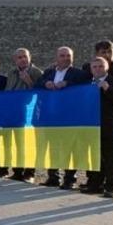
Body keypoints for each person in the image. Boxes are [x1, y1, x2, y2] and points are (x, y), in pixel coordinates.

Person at [39, 46, 89, 189]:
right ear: (56, 57)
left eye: (68, 56)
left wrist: (67, 84)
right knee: (52, 148)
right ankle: (53, 177)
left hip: (70, 117)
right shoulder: (48, 73)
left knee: (70, 148)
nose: (66, 58)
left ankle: (69, 180)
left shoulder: (79, 74)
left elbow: (85, 85)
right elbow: (38, 84)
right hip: (51, 116)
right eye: (62, 55)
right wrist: (45, 83)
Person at [80, 56, 113, 198]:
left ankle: (112, 187)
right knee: (94, 158)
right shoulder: (86, 84)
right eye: (94, 67)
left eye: (101, 66)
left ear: (107, 67)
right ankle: (95, 184)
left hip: (110, 126)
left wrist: (108, 89)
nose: (97, 69)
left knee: (111, 159)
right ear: (91, 69)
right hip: (91, 127)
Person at [5, 48, 43, 182]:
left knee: (29, 142)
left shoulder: (37, 72)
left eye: (25, 57)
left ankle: (29, 172)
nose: (23, 59)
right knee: (17, 142)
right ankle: (17, 171)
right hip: (14, 112)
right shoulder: (11, 73)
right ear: (15, 60)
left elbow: (41, 93)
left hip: (29, 113)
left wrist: (29, 81)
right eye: (19, 57)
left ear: (30, 57)